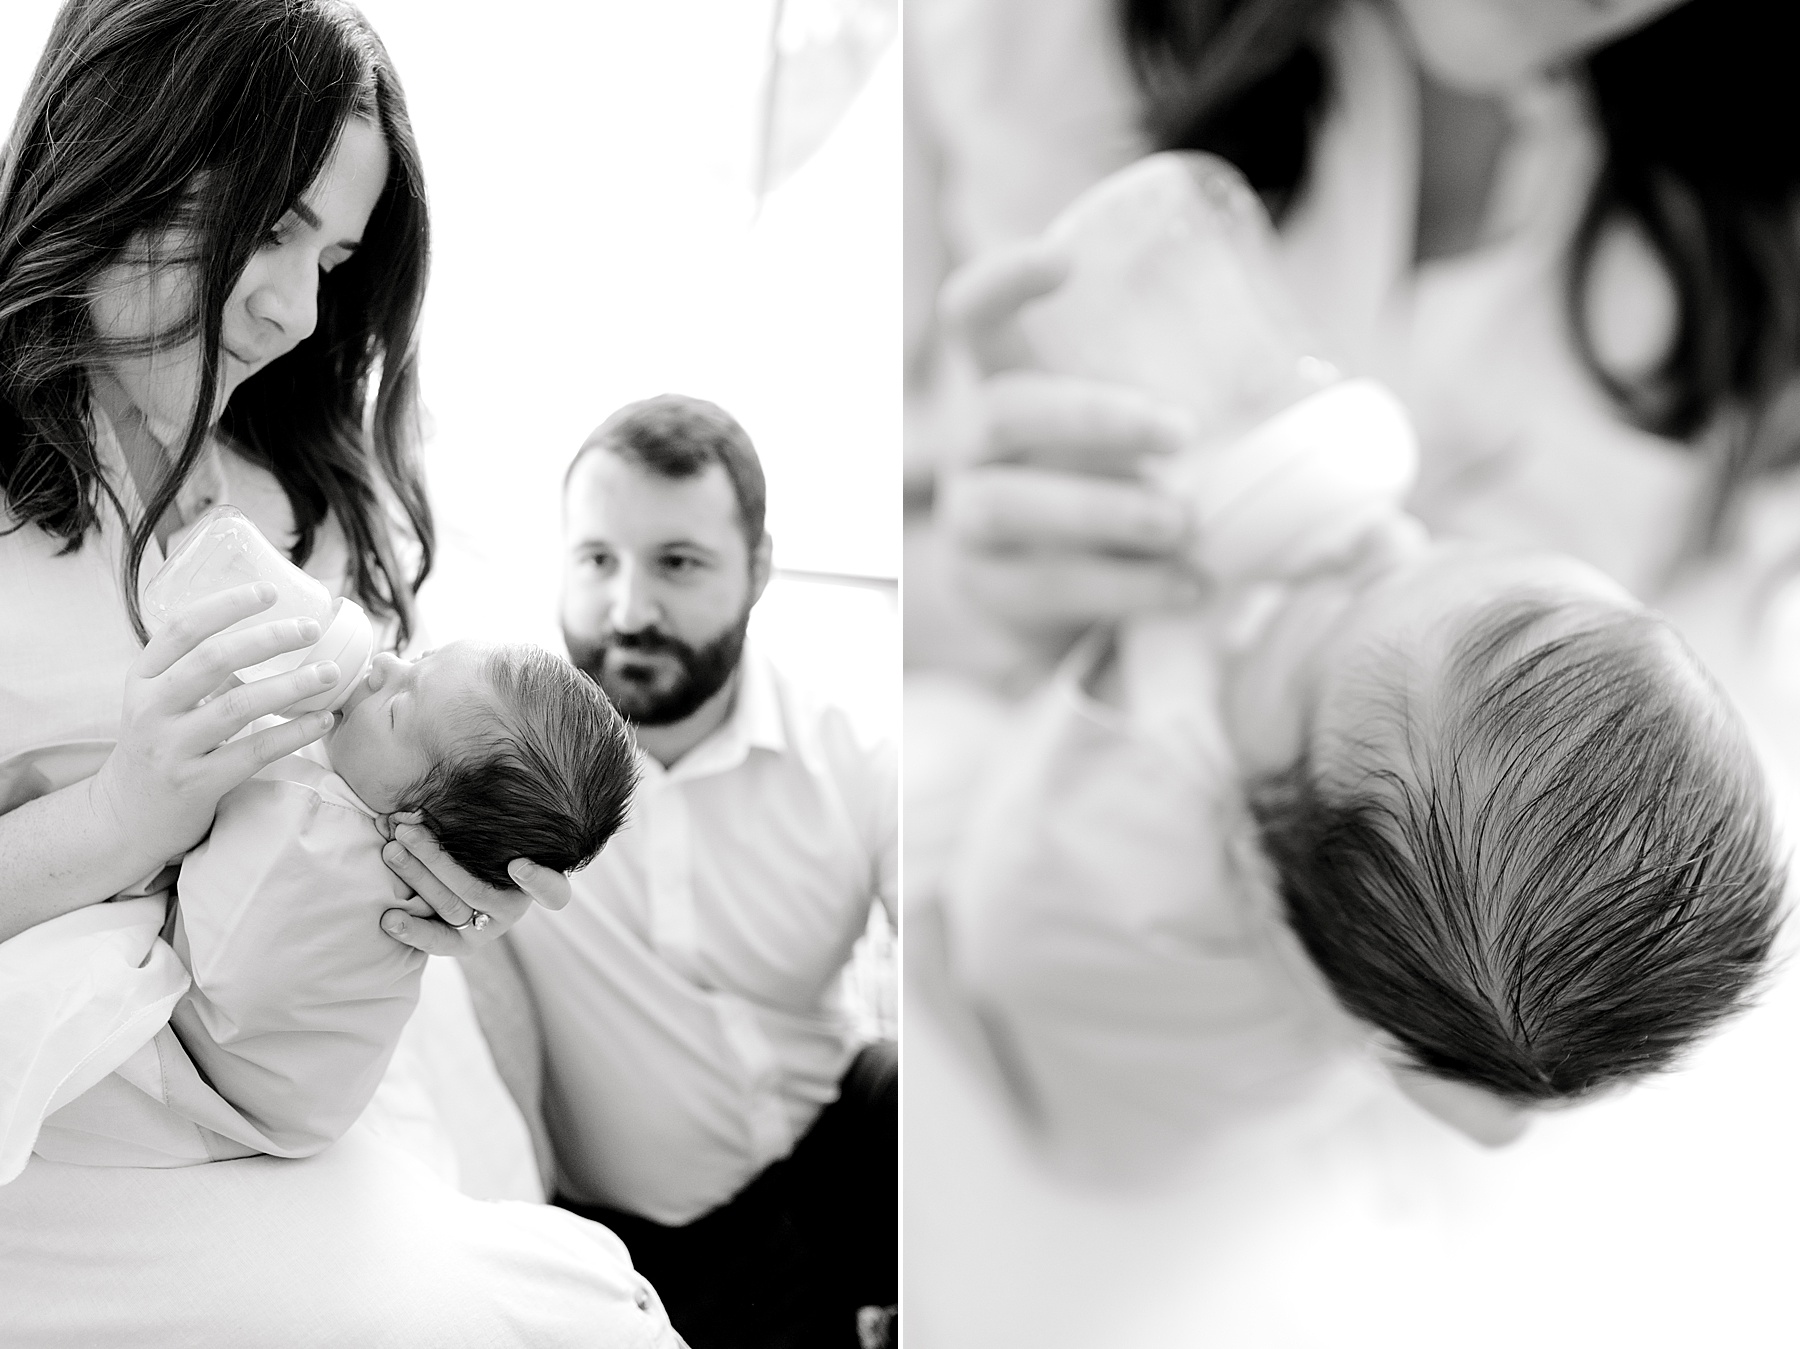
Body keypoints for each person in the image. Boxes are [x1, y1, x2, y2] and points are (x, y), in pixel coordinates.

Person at [0, 2, 680, 1343]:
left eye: (337, 255)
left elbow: (398, 759)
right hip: (56, 1098)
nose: (295, 308)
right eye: (265, 225)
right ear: (106, 142)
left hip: (278, 1065)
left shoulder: (301, 488)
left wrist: (438, 873)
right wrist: (124, 815)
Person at [506, 393, 898, 1348]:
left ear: (760, 567)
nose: (629, 609)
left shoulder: (854, 748)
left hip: (834, 1147)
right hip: (650, 1242)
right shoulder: (495, 754)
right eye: (597, 560)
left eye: (678, 563)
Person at [31, 640, 636, 1167]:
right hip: (316, 1114)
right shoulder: (384, 793)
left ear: (415, 820)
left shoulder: (304, 827)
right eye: (419, 657)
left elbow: (204, 911)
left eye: (397, 709)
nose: (383, 665)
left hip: (212, 1094)